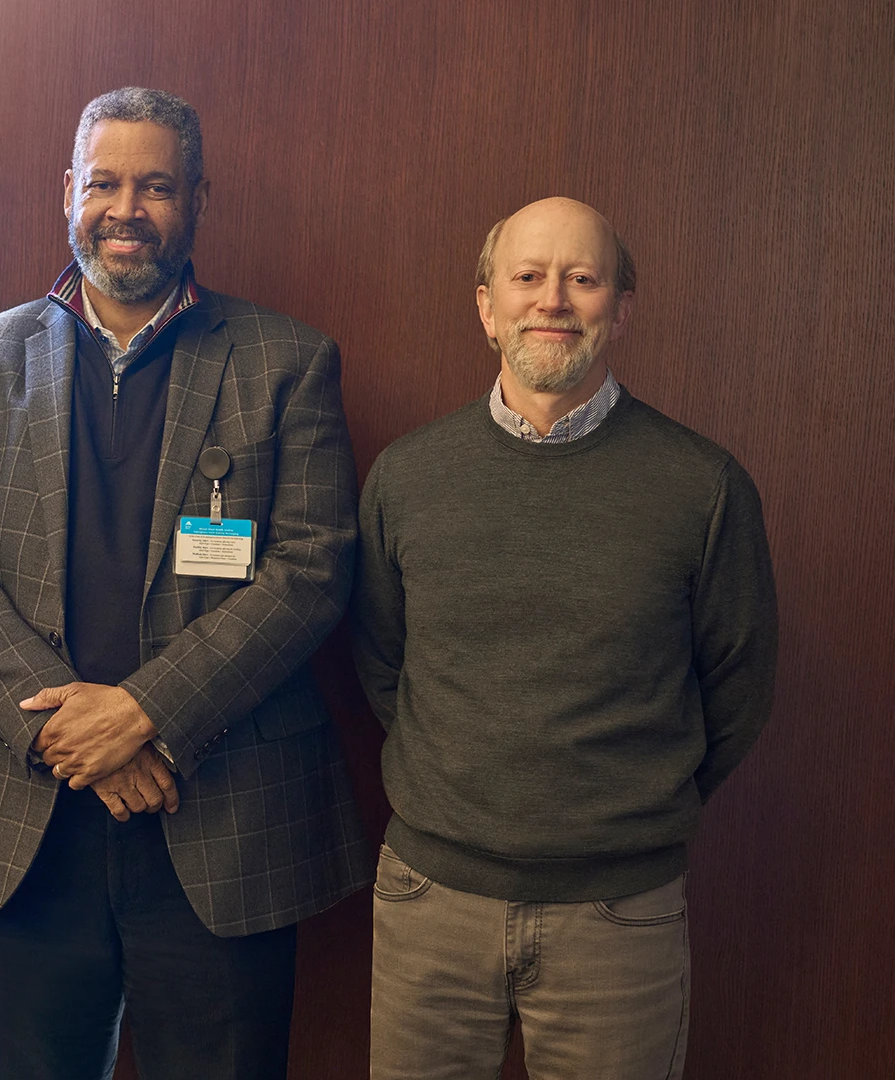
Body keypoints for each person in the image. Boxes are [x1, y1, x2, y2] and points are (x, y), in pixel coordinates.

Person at [0, 87, 371, 1080]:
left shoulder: (285, 362)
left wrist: (145, 714)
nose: (127, 208)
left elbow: (311, 568)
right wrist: (72, 736)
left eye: (155, 185)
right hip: (31, 816)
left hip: (222, 819)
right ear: (67, 190)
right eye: (105, 182)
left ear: (195, 198)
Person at [353, 196, 778, 1079]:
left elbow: (739, 684)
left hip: (619, 914)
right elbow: (382, 663)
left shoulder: (703, 487)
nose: (553, 299)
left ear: (620, 308)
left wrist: (629, 811)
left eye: (582, 279)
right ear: (486, 305)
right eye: (529, 276)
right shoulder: (407, 476)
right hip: (432, 901)